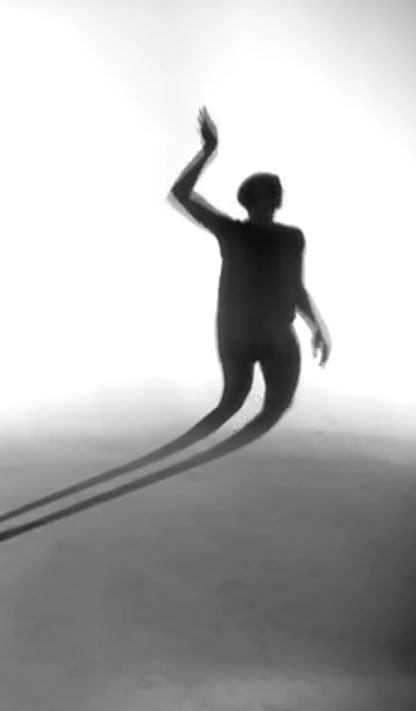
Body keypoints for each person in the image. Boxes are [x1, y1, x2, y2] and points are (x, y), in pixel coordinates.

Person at [162, 108, 332, 457]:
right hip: (240, 333)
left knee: (271, 405)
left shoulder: (290, 238)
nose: (271, 201)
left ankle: (190, 456)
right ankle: (178, 453)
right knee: (233, 400)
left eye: (274, 194)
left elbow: (296, 287)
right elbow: (180, 194)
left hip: (271, 333)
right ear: (252, 201)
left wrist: (317, 325)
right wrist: (208, 151)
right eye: (267, 195)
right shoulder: (233, 232)